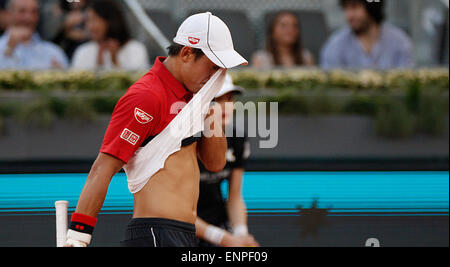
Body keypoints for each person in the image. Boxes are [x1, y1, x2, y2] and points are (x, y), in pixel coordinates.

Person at [64, 12, 248, 247]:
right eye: (213, 68)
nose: (216, 78)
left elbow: (215, 164)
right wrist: (78, 235)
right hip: (155, 234)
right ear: (186, 53)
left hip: (183, 235)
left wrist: (210, 111)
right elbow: (103, 168)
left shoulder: (198, 98)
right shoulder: (146, 96)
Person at [195, 74, 260, 247]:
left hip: (218, 223)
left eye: (229, 99)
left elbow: (235, 196)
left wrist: (241, 235)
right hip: (181, 228)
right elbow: (175, 210)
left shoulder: (237, 138)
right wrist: (223, 239)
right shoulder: (187, 140)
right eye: (216, 100)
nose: (225, 107)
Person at [320, 0, 414, 70]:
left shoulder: (399, 42)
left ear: (372, 7)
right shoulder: (335, 45)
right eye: (346, 8)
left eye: (355, 7)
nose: (349, 15)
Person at [71, 0, 149, 71]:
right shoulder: (83, 51)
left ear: (109, 20)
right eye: (88, 20)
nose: (89, 26)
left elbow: (137, 82)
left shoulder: (135, 50)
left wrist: (114, 61)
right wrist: (99, 63)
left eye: (94, 20)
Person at [0, 0, 69, 70]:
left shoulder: (54, 52)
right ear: (8, 14)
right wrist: (10, 48)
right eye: (22, 11)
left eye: (34, 12)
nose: (29, 18)